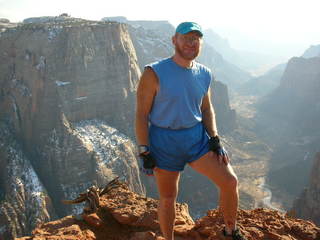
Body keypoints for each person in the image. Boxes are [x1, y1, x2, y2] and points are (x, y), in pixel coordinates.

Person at [135, 22, 247, 240]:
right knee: (168, 198)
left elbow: (206, 108)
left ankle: (230, 232)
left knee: (230, 181)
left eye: (195, 38)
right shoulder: (153, 73)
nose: (191, 42)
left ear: (200, 43)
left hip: (196, 139)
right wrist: (144, 150)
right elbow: (141, 115)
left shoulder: (204, 74)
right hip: (164, 142)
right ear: (174, 40)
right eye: (186, 37)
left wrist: (214, 138)